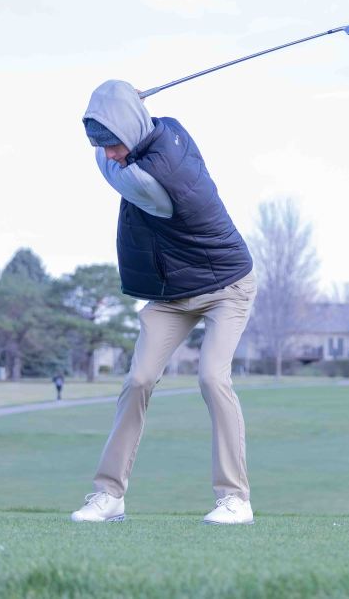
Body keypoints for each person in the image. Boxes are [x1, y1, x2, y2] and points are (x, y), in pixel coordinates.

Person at [71, 79, 257, 525]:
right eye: (106, 143)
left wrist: (114, 133)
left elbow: (107, 166)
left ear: (131, 133)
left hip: (226, 286)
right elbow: (122, 139)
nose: (112, 152)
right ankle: (108, 495)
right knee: (138, 380)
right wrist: (120, 110)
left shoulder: (154, 177)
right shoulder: (163, 127)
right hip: (174, 293)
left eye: (115, 143)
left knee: (212, 378)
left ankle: (235, 499)